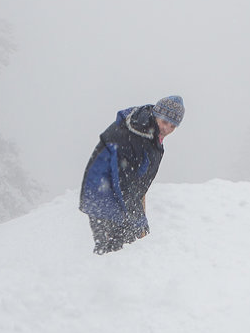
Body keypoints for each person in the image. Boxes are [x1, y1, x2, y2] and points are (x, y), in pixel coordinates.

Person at [79, 95, 184, 254]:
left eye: (173, 126)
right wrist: (138, 218)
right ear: (157, 115)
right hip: (105, 195)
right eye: (164, 122)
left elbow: (137, 175)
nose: (167, 129)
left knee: (125, 250)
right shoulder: (135, 134)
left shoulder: (150, 133)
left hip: (118, 194)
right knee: (114, 253)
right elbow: (123, 181)